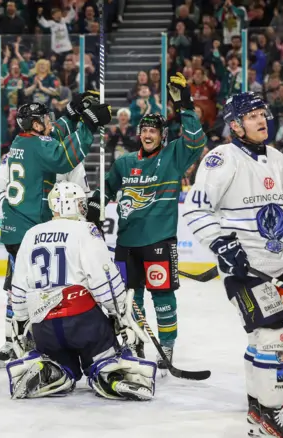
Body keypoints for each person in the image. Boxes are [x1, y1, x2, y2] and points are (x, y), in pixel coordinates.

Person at [182, 91, 283, 438]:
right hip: (245, 269)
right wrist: (221, 243)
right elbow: (196, 209)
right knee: (273, 334)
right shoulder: (222, 159)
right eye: (251, 116)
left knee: (262, 339)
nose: (261, 120)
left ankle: (256, 406)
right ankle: (271, 414)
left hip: (278, 266)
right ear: (235, 124)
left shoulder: (278, 160)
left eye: (261, 114)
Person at [86, 73, 207, 373]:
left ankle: (166, 345)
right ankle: (135, 340)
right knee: (130, 299)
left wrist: (185, 105)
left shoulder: (173, 156)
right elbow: (107, 190)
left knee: (163, 298)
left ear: (162, 135)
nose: (148, 134)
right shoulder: (125, 162)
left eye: (153, 130)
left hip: (159, 242)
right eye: (144, 130)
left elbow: (196, 141)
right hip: (127, 245)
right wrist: (93, 203)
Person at [0, 92, 110, 368]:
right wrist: (88, 125)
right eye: (44, 119)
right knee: (31, 287)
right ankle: (19, 343)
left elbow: (54, 136)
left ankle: (18, 341)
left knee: (19, 285)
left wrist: (72, 113)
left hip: (18, 227)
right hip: (30, 228)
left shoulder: (22, 142)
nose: (49, 122)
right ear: (34, 124)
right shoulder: (42, 147)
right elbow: (62, 156)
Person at [6, 182, 157, 400]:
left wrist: (21, 322)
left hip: (44, 326)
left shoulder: (31, 234)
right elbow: (102, 280)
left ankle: (50, 371)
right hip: (82, 321)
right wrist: (119, 313)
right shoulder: (86, 230)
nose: (83, 207)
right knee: (103, 357)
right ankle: (110, 376)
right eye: (80, 202)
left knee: (60, 364)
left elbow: (18, 287)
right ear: (71, 205)